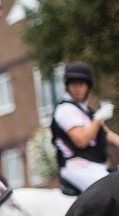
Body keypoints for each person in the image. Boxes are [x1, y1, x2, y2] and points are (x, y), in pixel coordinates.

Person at [51, 61, 119, 192]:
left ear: (87, 86)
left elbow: (106, 133)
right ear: (67, 86)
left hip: (94, 166)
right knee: (113, 192)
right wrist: (97, 119)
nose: (77, 88)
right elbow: (81, 141)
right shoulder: (65, 109)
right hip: (77, 167)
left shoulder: (84, 110)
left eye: (81, 84)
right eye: (73, 84)